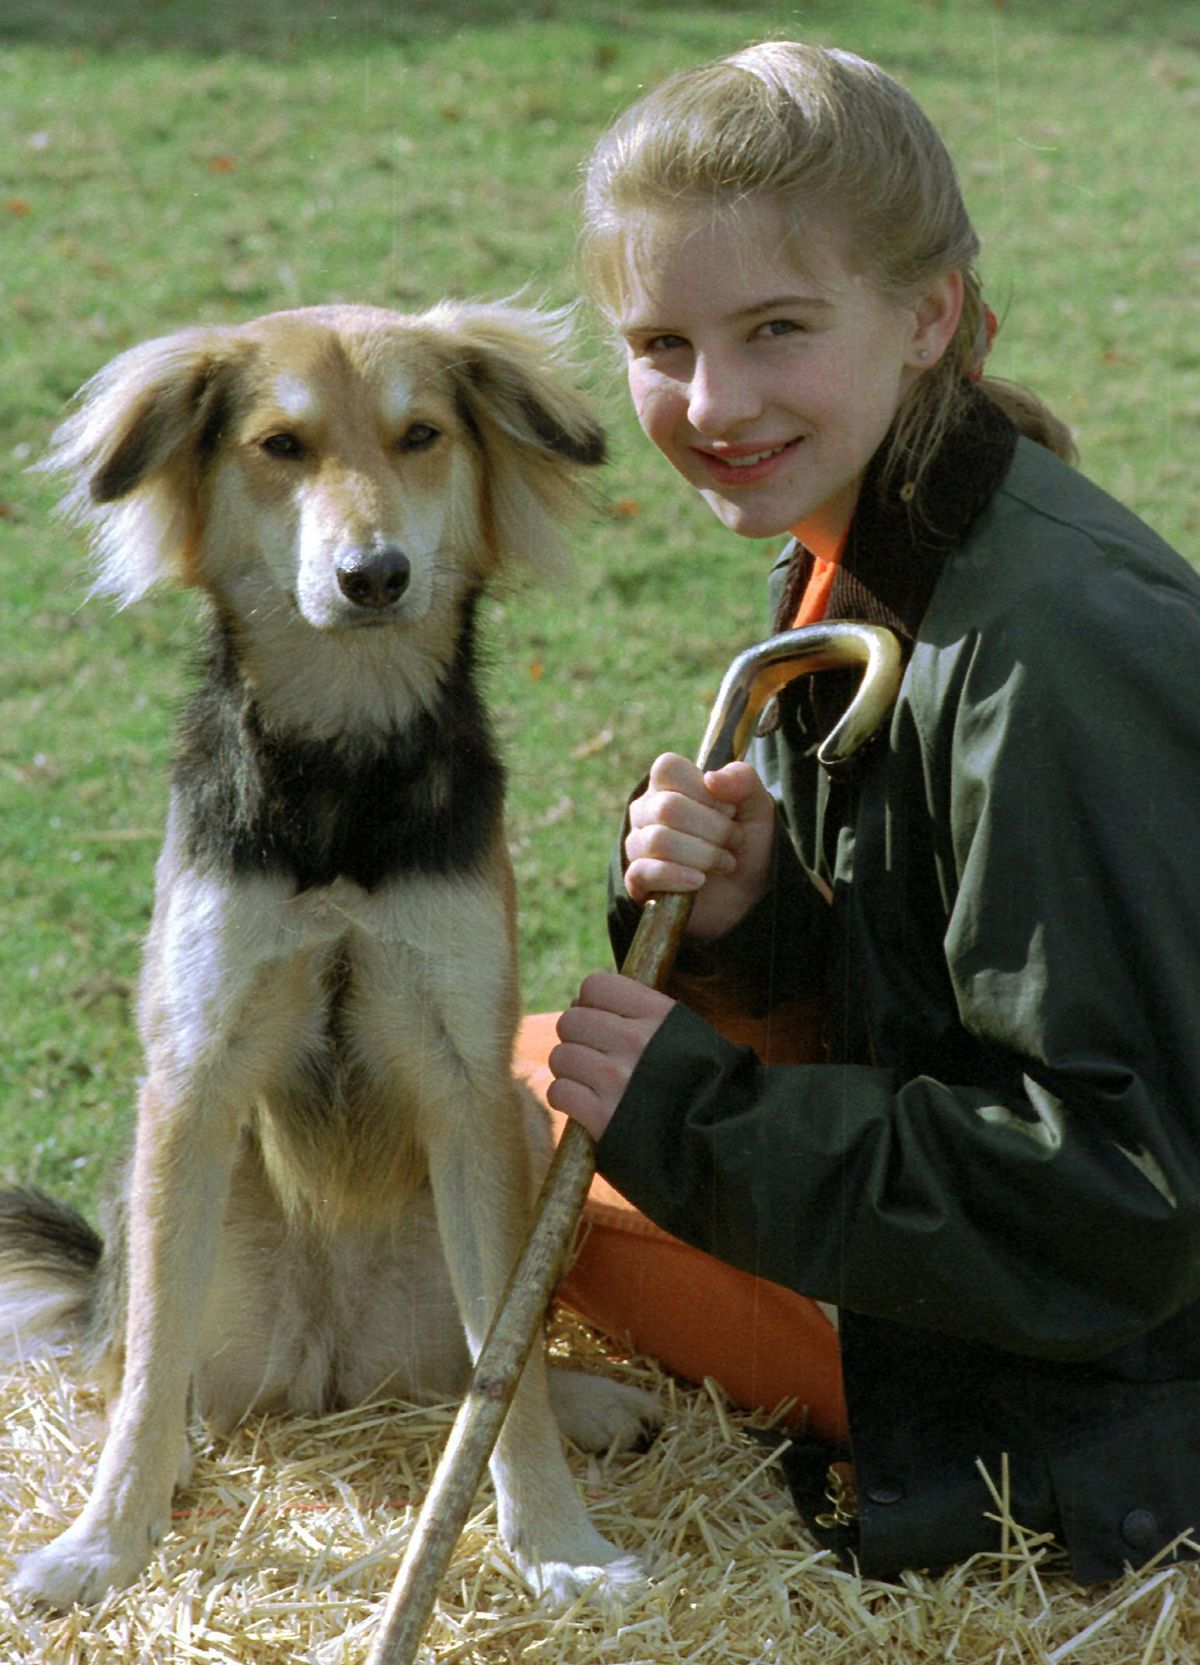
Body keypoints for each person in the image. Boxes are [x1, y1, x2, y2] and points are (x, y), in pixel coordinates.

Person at [539, 40, 1200, 1583]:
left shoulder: (1053, 655)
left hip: (1103, 1397)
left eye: (777, 329)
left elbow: (1123, 1194)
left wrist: (694, 1120)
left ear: (929, 316)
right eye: (660, 342)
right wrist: (751, 926)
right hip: (1038, 1296)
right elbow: (933, 996)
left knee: (515, 1151)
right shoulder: (876, 539)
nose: (713, 400)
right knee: (509, 1082)